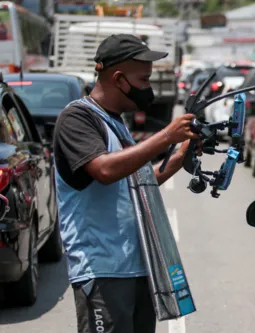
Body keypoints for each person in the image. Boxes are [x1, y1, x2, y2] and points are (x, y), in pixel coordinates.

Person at [52, 34, 200, 333]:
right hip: (102, 270)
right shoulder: (77, 119)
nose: (149, 88)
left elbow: (138, 183)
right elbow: (104, 171)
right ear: (119, 79)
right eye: (144, 79)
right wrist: (167, 136)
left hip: (137, 266)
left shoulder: (115, 122)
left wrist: (182, 154)